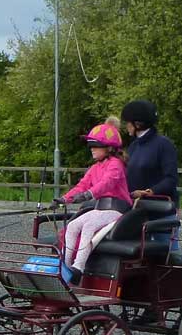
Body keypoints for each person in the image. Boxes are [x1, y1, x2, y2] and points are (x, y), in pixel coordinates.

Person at [51, 122, 132, 286]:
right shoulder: (95, 167)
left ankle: (78, 268)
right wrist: (64, 199)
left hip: (116, 210)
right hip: (101, 208)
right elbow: (82, 185)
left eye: (96, 145)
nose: (92, 149)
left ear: (109, 148)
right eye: (90, 146)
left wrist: (89, 194)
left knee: (89, 226)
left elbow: (107, 184)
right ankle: (65, 266)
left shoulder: (116, 164)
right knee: (73, 226)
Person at [121, 99, 178, 205]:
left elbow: (171, 179)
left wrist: (149, 192)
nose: (126, 126)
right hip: (134, 205)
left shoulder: (164, 145)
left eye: (128, 122)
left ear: (137, 124)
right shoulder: (133, 146)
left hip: (158, 206)